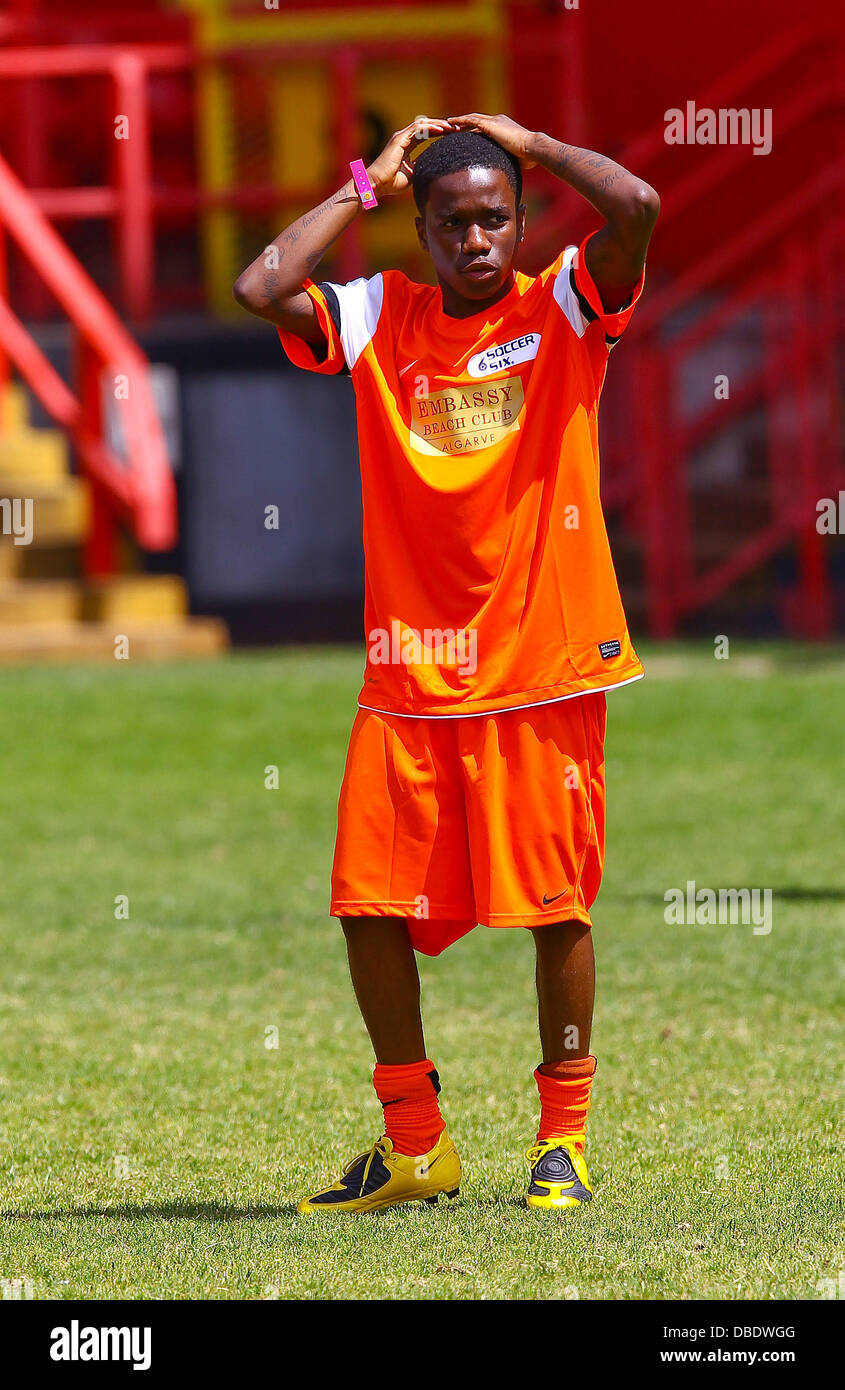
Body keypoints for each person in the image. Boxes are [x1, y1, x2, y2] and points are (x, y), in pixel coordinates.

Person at [234, 112, 659, 1213]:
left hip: (545, 663)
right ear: (419, 229)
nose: (474, 240)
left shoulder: (565, 302)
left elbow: (639, 210)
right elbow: (261, 284)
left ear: (519, 220)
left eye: (493, 218)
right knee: (365, 904)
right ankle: (415, 1142)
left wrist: (536, 143)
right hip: (411, 674)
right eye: (450, 222)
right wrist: (362, 185)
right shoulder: (380, 316)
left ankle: (559, 1139)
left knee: (555, 907)